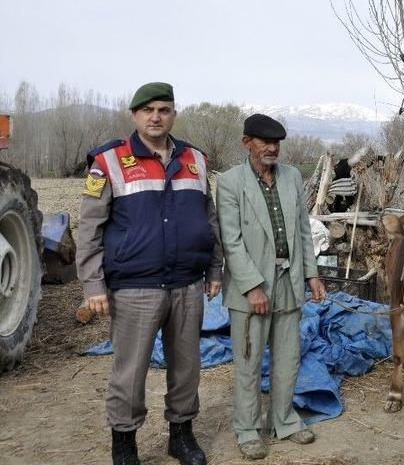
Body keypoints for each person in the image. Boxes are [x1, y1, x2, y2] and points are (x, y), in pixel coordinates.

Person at [76, 82, 222, 465]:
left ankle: (182, 435)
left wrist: (214, 268)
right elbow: (89, 228)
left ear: (173, 113)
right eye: (148, 110)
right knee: (130, 371)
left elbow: (210, 219)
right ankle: (124, 445)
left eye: (163, 109)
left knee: (187, 368)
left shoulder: (196, 158)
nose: (155, 117)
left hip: (187, 283)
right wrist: (93, 284)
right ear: (135, 115)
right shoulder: (108, 161)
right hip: (134, 286)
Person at [217, 113, 326, 460]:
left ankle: (284, 420)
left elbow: (304, 231)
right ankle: (248, 429)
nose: (271, 148)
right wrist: (252, 287)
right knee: (248, 360)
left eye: (276, 142)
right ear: (246, 142)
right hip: (252, 287)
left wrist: (311, 274)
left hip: (289, 281)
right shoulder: (230, 182)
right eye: (264, 141)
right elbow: (231, 242)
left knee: (288, 358)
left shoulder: (292, 177)